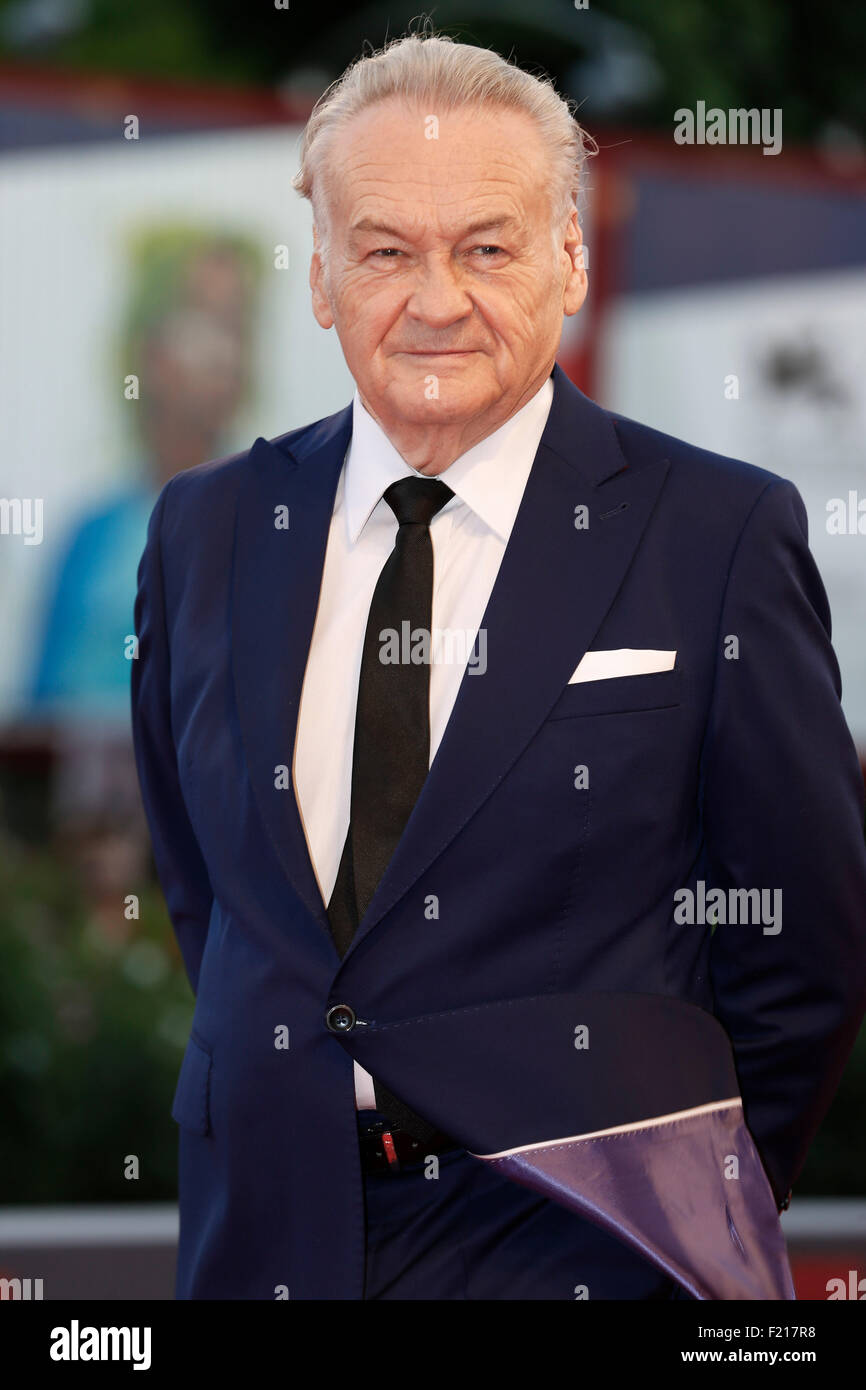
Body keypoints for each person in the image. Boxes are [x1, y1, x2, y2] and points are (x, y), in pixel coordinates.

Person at [131, 31, 866, 1301]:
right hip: (265, 1231)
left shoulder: (715, 534)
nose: (433, 301)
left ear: (569, 259)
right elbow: (209, 896)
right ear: (319, 277)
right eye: (384, 251)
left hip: (589, 1242)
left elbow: (807, 934)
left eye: (485, 247)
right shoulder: (207, 528)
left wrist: (700, 1180)